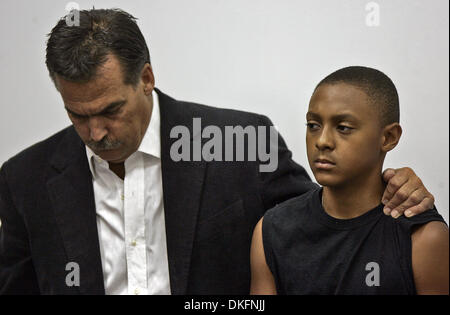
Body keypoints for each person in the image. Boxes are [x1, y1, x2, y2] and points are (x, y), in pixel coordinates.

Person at [0, 9, 436, 295]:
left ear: (146, 78)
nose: (95, 132)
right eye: (77, 115)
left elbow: (322, 226)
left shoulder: (242, 142)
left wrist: (392, 188)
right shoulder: (24, 180)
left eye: (111, 110)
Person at [250, 66, 449, 295]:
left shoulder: (422, 238)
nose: (322, 141)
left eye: (343, 128)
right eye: (313, 125)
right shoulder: (272, 230)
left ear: (388, 137)